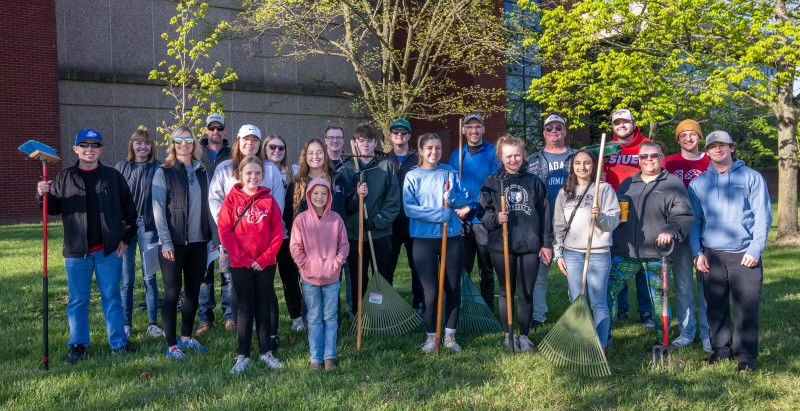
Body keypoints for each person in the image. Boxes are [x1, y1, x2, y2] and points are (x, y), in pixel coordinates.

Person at [36, 129, 137, 364]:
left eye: (94, 145)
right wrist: (43, 195)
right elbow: (52, 209)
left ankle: (118, 343)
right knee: (78, 299)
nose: (89, 150)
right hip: (76, 251)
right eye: (84, 145)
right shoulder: (64, 177)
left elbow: (131, 211)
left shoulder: (112, 177)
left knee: (111, 297)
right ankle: (79, 344)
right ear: (76, 149)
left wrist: (125, 238)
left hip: (108, 250)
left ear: (101, 149)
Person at [688, 131, 772, 374]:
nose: (717, 150)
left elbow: (762, 217)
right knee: (715, 306)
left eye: (722, 145)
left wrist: (755, 249)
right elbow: (695, 221)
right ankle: (721, 350)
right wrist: (697, 252)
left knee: (746, 306)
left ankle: (746, 356)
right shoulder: (698, 183)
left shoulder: (751, 178)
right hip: (711, 254)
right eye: (712, 146)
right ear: (707, 151)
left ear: (732, 147)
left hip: (744, 254)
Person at [608, 142, 695, 345]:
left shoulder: (672, 183)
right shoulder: (629, 183)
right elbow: (616, 211)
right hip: (627, 251)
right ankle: (606, 335)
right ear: (638, 160)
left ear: (661, 157)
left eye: (653, 155)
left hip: (659, 253)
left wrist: (669, 231)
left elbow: (683, 214)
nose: (648, 160)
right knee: (609, 291)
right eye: (644, 156)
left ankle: (662, 339)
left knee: (659, 298)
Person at [205, 125, 284, 333]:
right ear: (238, 141)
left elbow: (277, 205)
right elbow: (215, 200)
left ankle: (270, 333)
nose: (250, 144)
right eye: (246, 139)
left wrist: (266, 235)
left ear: (260, 144)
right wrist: (228, 230)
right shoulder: (224, 168)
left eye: (255, 140)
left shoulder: (271, 170)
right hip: (233, 241)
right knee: (236, 286)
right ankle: (242, 330)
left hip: (264, 242)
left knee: (266, 290)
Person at [480, 135, 553, 351]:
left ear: (523, 155)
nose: (513, 159)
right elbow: (483, 215)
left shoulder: (534, 182)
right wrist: (496, 219)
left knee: (526, 292)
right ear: (501, 157)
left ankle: (524, 335)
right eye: (509, 156)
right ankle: (507, 334)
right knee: (506, 291)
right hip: (501, 245)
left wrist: (547, 243)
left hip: (529, 244)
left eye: (517, 155)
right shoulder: (492, 183)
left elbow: (546, 214)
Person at [218, 156, 285, 374]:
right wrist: (245, 259)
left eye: (257, 173)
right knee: (245, 309)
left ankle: (266, 352)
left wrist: (265, 258)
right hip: (240, 264)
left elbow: (277, 231)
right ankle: (243, 354)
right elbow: (225, 231)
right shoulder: (231, 200)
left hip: (265, 264)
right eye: (248, 173)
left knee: (263, 306)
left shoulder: (269, 201)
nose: (253, 177)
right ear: (240, 175)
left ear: (263, 176)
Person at [403, 133, 469, 353]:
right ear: (421, 150)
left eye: (438, 148)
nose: (434, 152)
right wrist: (437, 214)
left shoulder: (449, 171)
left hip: (450, 237)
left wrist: (454, 199)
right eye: (429, 148)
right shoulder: (413, 176)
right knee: (430, 292)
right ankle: (432, 336)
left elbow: (464, 200)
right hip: (423, 239)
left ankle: (450, 334)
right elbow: (409, 208)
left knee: (452, 288)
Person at [152, 126, 213, 359]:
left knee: (193, 292)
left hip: (198, 243)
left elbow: (207, 205)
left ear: (194, 143)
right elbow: (158, 209)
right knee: (171, 293)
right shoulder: (164, 172)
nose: (184, 144)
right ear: (173, 144)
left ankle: (187, 337)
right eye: (179, 140)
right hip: (173, 243)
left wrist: (212, 238)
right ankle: (172, 345)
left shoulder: (201, 171)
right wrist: (166, 242)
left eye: (188, 139)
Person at [553, 150, 620, 351]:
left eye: (587, 163)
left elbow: (613, 222)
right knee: (576, 299)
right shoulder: (565, 191)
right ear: (572, 167)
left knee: (598, 301)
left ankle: (601, 345)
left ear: (594, 166)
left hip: (598, 252)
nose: (582, 167)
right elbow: (558, 224)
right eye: (578, 163)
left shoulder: (604, 190)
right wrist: (558, 252)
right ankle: (581, 342)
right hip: (572, 253)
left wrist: (599, 217)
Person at [287, 139, 362, 317]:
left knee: (331, 289)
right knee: (309, 290)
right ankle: (311, 326)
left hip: (333, 247)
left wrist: (358, 197)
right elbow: (289, 214)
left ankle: (332, 326)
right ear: (305, 156)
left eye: (319, 152)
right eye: (311, 152)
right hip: (308, 249)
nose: (315, 156)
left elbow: (350, 209)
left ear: (325, 154)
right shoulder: (297, 183)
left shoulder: (337, 179)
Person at [662, 120, 712, 352]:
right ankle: (687, 330)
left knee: (706, 285)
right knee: (682, 285)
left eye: (693, 134)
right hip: (680, 230)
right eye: (684, 135)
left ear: (700, 138)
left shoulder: (709, 161)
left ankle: (707, 332)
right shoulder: (669, 163)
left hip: (707, 230)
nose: (689, 138)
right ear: (678, 139)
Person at [340, 124, 401, 315]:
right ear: (355, 143)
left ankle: (381, 310)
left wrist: (376, 221)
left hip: (380, 232)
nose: (365, 145)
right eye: (361, 141)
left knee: (382, 274)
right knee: (358, 277)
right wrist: (355, 198)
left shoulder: (385, 166)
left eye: (368, 141)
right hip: (355, 234)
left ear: (375, 143)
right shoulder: (347, 169)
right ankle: (360, 312)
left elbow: (393, 202)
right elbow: (343, 205)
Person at [290, 178, 349, 371]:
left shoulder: (336, 219)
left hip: (332, 277)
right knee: (314, 317)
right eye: (315, 193)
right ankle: (316, 357)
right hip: (310, 278)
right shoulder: (301, 220)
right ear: (309, 195)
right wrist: (305, 265)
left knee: (330, 317)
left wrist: (336, 263)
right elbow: (295, 247)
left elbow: (344, 245)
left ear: (329, 196)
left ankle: (330, 355)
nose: (319, 197)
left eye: (324, 193)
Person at [603, 109, 654, 326]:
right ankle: (621, 308)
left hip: (644, 210)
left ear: (634, 124)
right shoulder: (607, 148)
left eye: (625, 122)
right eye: (617, 123)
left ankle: (647, 312)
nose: (621, 126)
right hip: (615, 209)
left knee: (644, 261)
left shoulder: (647, 145)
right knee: (619, 258)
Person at [526, 114, 576, 330]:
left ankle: (577, 312)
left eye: (559, 127)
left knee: (575, 272)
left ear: (565, 131)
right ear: (544, 132)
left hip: (573, 222)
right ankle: (538, 315)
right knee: (539, 272)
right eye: (549, 128)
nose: (554, 131)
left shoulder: (579, 157)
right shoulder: (532, 161)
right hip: (542, 223)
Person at [448, 114, 501, 311]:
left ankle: (487, 308)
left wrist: (470, 205)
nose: (474, 131)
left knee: (486, 269)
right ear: (464, 130)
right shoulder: (457, 155)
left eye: (478, 127)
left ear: (483, 130)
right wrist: (456, 207)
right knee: (463, 268)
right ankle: (463, 308)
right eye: (470, 127)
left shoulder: (493, 153)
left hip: (483, 220)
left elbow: (492, 184)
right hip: (461, 221)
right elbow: (452, 185)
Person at [114, 126, 164, 338]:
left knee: (149, 276)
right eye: (138, 143)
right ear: (132, 145)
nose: (143, 147)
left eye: (146, 143)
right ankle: (126, 323)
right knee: (127, 278)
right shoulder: (122, 167)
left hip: (149, 227)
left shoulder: (158, 168)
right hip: (126, 227)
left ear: (151, 146)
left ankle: (153, 323)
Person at [263, 134, 304, 333]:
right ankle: (263, 318)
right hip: (266, 235)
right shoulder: (259, 170)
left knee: (290, 278)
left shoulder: (293, 172)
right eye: (272, 147)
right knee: (265, 280)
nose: (277, 151)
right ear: (265, 148)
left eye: (281, 147)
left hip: (289, 234)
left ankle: (297, 316)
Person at [198, 113, 233, 335]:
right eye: (212, 128)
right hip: (200, 222)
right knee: (204, 273)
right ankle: (206, 318)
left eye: (219, 128)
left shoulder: (232, 156)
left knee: (227, 270)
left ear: (225, 131)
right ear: (206, 130)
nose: (216, 132)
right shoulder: (197, 154)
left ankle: (230, 316)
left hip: (225, 221)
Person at [386, 118, 423, 315]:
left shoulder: (418, 160)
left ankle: (419, 303)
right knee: (387, 266)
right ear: (391, 136)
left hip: (414, 222)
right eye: (396, 132)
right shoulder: (385, 160)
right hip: (391, 224)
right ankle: (388, 305)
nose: (399, 136)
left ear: (409, 136)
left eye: (403, 132)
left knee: (417, 265)